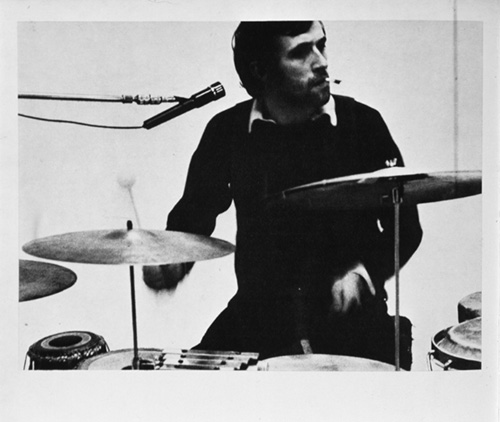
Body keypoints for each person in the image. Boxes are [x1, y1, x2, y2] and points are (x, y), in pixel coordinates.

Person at [143, 21, 423, 369]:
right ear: (261, 69)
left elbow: (407, 228)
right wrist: (170, 262)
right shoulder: (226, 131)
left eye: (322, 45)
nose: (321, 62)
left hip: (352, 322)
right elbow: (193, 217)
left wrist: (364, 273)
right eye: (302, 52)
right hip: (257, 317)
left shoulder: (363, 125)